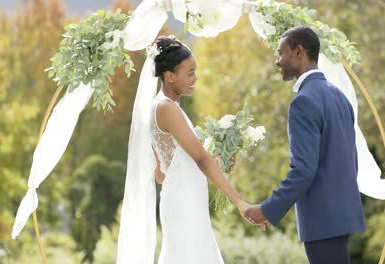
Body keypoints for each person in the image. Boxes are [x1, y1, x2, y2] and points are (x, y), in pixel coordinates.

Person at [117, 35, 251, 264]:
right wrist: (240, 202)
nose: (195, 78)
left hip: (184, 198)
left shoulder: (164, 106)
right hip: (183, 203)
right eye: (189, 73)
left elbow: (161, 173)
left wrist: (220, 158)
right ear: (169, 76)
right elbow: (200, 160)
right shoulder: (166, 108)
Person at [244, 26, 365, 264]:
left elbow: (303, 171)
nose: (277, 61)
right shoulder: (340, 97)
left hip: (322, 221)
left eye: (281, 53)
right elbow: (351, 161)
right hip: (343, 216)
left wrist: (268, 209)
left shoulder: (303, 102)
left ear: (298, 52)